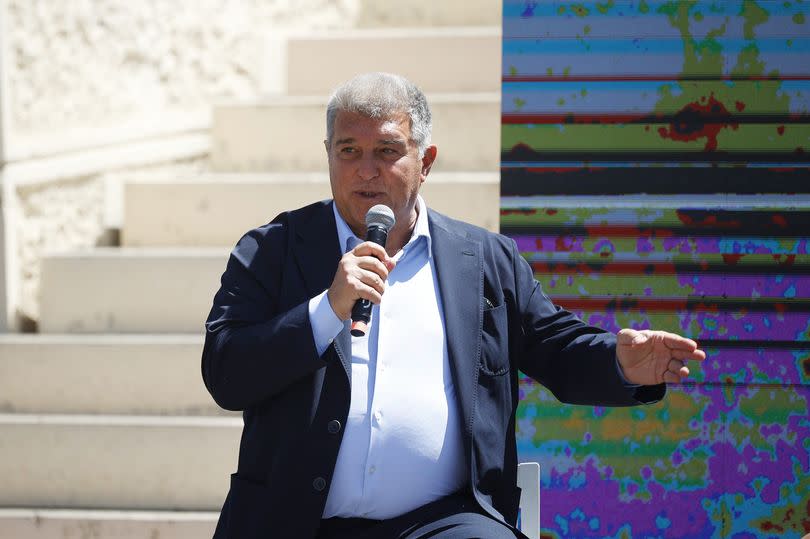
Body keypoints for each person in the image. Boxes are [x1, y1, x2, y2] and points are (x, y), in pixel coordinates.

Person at [201, 72, 705, 539]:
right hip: (294, 522)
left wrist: (620, 362)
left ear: (426, 161)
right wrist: (327, 309)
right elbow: (227, 370)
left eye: (387, 150)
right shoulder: (273, 250)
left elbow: (554, 347)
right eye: (348, 150)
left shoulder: (483, 259)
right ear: (328, 155)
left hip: (439, 522)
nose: (366, 169)